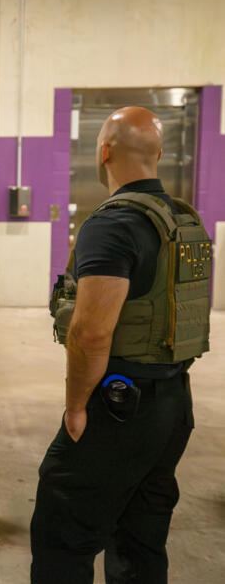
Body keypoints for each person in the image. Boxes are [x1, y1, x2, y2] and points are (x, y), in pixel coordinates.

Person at [31, 107, 210, 583]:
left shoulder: (113, 225)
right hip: (173, 402)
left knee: (62, 537)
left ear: (105, 151)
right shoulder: (184, 220)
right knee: (140, 541)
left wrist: (75, 407)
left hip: (118, 405)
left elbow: (91, 333)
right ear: (158, 154)